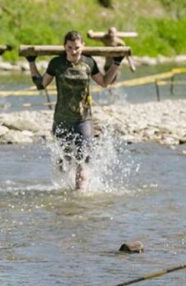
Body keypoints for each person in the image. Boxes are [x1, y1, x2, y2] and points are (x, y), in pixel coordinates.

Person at [26, 30, 123, 190]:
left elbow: (104, 82)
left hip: (83, 120)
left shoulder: (88, 63)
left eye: (77, 47)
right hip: (61, 119)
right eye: (70, 47)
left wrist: (116, 63)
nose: (73, 51)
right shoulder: (56, 63)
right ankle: (66, 192)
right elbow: (41, 85)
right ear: (64, 47)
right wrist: (31, 62)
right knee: (64, 163)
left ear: (83, 46)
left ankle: (80, 197)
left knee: (82, 161)